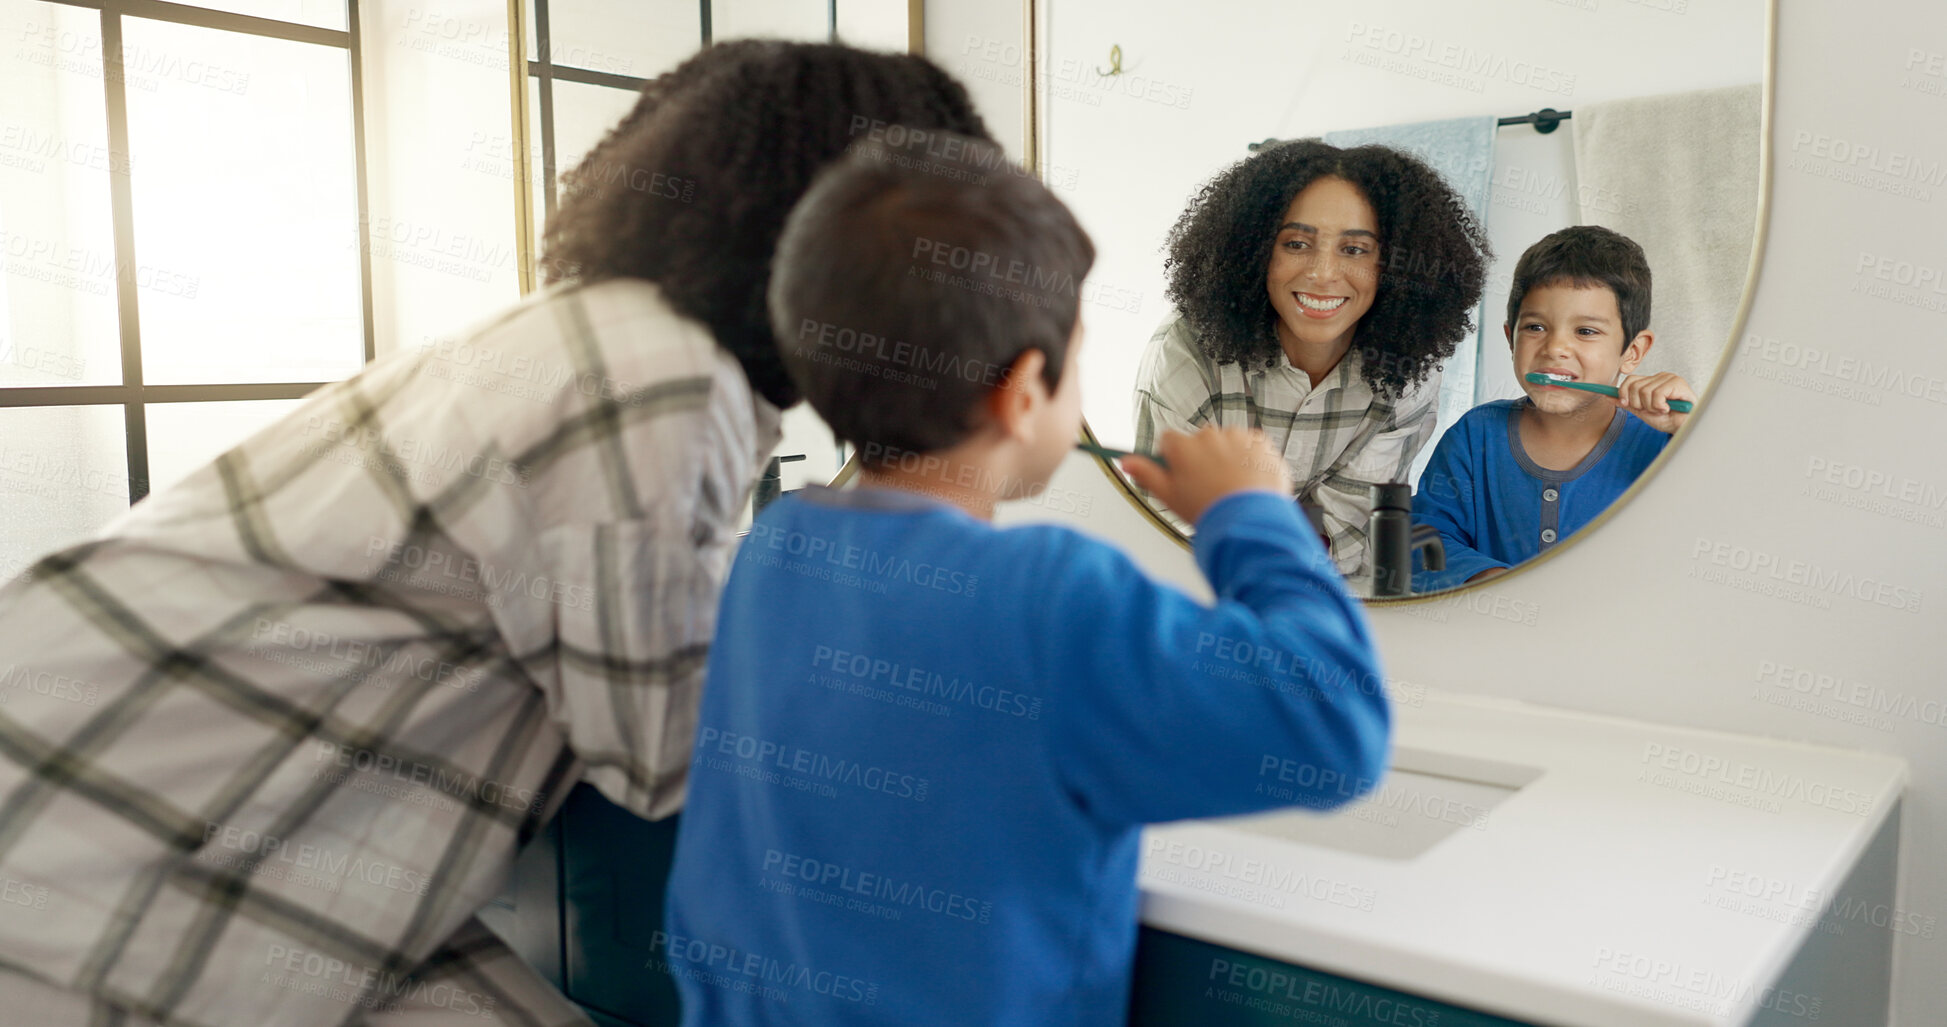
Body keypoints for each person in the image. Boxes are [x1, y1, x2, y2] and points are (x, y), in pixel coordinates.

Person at [0, 42, 989, 1027]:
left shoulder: (591, 337)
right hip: (99, 844)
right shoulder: (655, 381)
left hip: (141, 799)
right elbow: (668, 748)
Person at [661, 132, 1392, 1027]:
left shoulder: (775, 554)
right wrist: (1251, 516)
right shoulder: (1049, 595)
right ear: (1021, 394)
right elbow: (1331, 728)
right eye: (1077, 362)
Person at [1132, 139, 1488, 581]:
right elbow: (1166, 524)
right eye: (1297, 244)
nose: (1322, 273)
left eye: (1355, 249)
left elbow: (1349, 534)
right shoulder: (1187, 351)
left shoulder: (1409, 372)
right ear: (1255, 252)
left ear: (1394, 267)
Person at [1411, 226, 1696, 592]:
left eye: (1586, 332)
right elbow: (1421, 540)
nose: (1555, 347)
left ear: (1633, 352)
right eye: (1535, 327)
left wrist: (1690, 430)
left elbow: (1731, 522)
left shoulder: (1663, 444)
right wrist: (1491, 580)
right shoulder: (1475, 436)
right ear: (1509, 338)